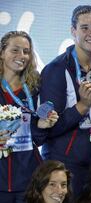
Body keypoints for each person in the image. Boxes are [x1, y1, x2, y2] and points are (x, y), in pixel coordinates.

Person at [39, 5, 91, 196]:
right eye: (85, 28)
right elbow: (50, 129)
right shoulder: (55, 70)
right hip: (61, 163)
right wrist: (82, 106)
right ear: (73, 31)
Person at [0, 31, 58, 203]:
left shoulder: (34, 89)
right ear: (2, 53)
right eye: (15, 50)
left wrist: (42, 125)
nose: (22, 56)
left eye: (26, 51)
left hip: (27, 178)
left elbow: (38, 140)